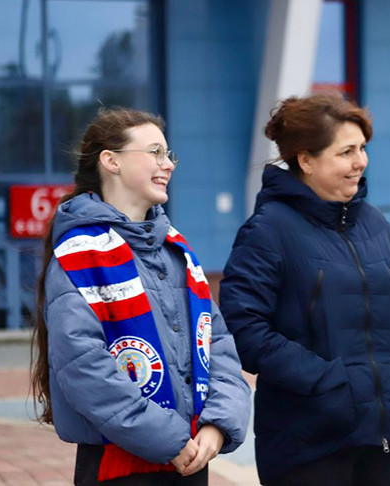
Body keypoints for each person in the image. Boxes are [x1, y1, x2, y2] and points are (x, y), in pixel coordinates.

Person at [30, 107, 251, 485]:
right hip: (120, 467)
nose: (167, 164)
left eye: (168, 155)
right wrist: (168, 439)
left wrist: (218, 425)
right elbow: (84, 366)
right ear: (111, 161)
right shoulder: (81, 253)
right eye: (154, 152)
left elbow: (218, 345)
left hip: (192, 457)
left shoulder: (176, 249)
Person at [220, 93, 390, 486]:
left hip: (380, 437)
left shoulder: (376, 225)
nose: (360, 162)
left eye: (362, 148)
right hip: (306, 447)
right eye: (346, 152)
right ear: (306, 160)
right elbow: (244, 329)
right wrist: (328, 383)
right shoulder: (267, 231)